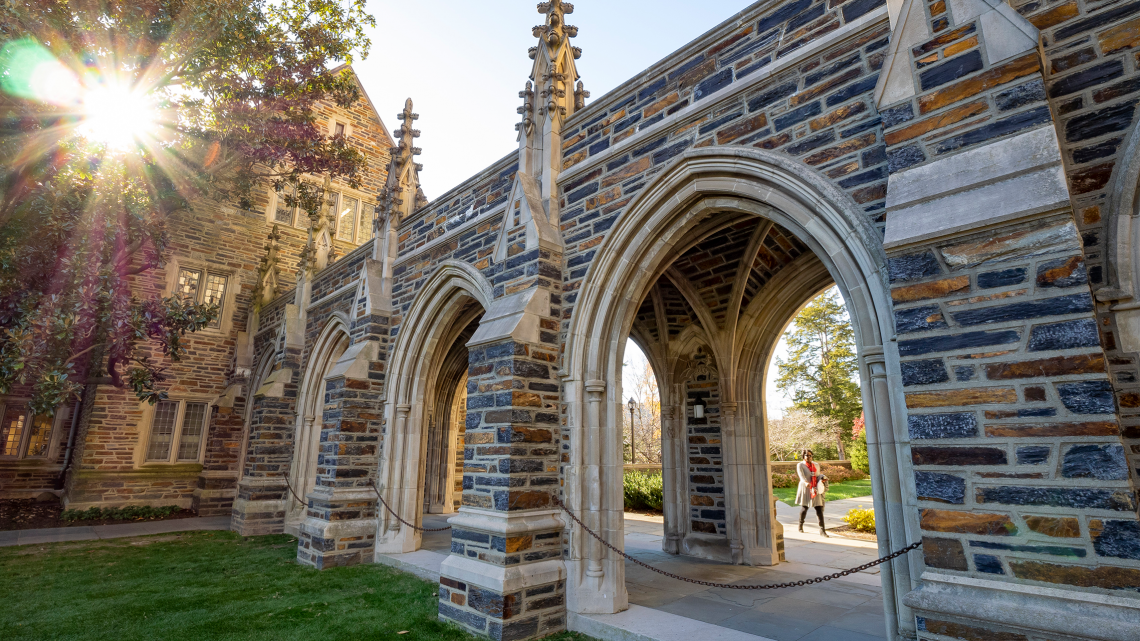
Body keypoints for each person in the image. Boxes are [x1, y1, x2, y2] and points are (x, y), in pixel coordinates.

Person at [796, 449, 829, 537]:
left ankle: (822, 530)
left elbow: (818, 475)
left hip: (815, 488)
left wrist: (822, 479)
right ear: (803, 456)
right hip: (806, 488)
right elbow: (801, 476)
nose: (809, 457)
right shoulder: (800, 465)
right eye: (807, 455)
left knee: (819, 508)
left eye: (810, 455)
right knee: (804, 508)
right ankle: (800, 525)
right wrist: (806, 482)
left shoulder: (816, 465)